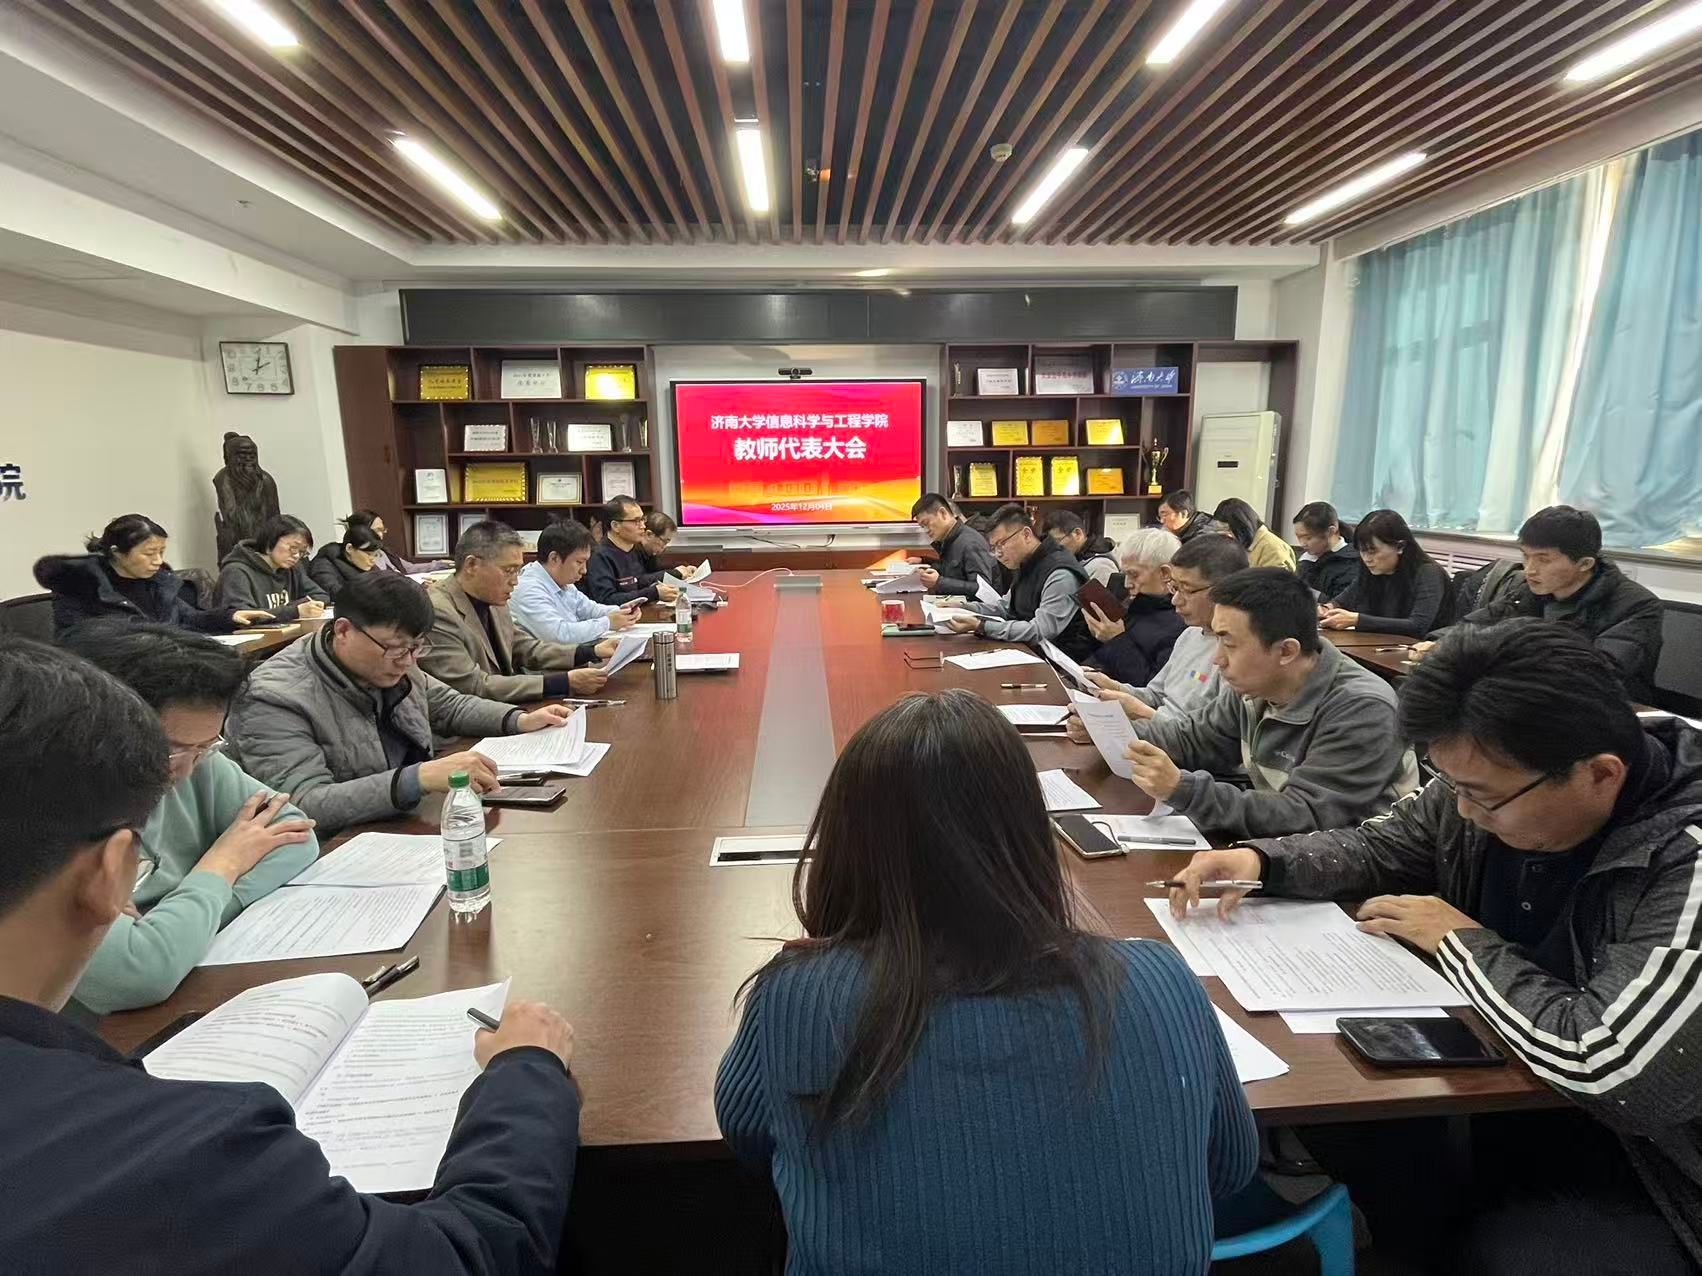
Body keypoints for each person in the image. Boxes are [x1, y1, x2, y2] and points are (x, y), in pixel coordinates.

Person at [0, 636, 581, 1273]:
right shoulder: (175, 1153)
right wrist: (526, 1071)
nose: (188, 769)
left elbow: (294, 833)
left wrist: (190, 905)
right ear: (112, 875)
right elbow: (469, 1255)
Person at [1168, 622, 1702, 1275]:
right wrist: (1261, 861)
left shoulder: (1684, 856)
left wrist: (1459, 942)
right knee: (1348, 1119)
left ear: (1599, 775)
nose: (1465, 812)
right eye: (1452, 786)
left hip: (1648, 1161)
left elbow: (1617, 1074)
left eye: (1482, 797)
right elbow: (1380, 846)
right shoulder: (1495, 774)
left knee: (1525, 1254)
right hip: (1503, 1081)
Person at [715, 690, 1257, 1273]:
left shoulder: (797, 997)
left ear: (847, 845)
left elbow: (749, 1137)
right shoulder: (1163, 980)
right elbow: (1229, 1167)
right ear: (1029, 835)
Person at [52, 624, 316, 1013]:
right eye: (171, 751)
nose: (188, 770)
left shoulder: (196, 758)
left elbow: (295, 835)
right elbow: (137, 975)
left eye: (207, 746)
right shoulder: (48, 812)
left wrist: (175, 923)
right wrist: (222, 864)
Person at [228, 572, 579, 834]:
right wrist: (417, 778)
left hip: (404, 820)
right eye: (397, 649)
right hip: (336, 850)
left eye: (416, 648)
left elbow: (449, 706)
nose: (408, 661)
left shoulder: (393, 660)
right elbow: (303, 804)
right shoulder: (272, 697)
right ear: (344, 630)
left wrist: (519, 720)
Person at [1119, 568, 1418, 840]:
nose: (1217, 658)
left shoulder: (1362, 708)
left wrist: (1183, 790)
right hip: (1282, 850)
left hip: (1349, 866)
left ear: (1286, 651)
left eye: (1229, 643)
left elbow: (1306, 815)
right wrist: (1112, 728)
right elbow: (1194, 739)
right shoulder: (1257, 686)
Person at [1453, 505, 1664, 702]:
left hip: (1601, 710)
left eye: (1543, 560)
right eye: (1526, 556)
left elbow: (1594, 675)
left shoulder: (1637, 606)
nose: (1529, 570)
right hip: (1525, 698)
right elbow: (1472, 627)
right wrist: (1442, 644)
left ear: (1584, 564)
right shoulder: (1529, 590)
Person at [421, 520, 616, 705]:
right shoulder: (438, 612)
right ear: (472, 565)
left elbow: (524, 647)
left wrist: (590, 652)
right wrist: (562, 683)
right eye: (508, 570)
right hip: (472, 721)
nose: (515, 581)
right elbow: (473, 685)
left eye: (517, 570)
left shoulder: (493, 597)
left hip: (507, 706)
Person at [1085, 533, 1252, 724]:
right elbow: (1156, 694)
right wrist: (1113, 688)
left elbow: (1207, 734)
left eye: (1186, 589)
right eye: (1175, 588)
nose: (1175, 600)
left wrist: (1142, 713)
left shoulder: (1240, 654)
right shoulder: (1190, 634)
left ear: (1223, 590)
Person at [33, 514, 272, 638]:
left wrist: (230, 616)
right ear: (116, 552)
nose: (158, 560)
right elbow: (87, 643)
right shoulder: (79, 589)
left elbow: (189, 618)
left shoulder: (158, 582)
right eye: (149, 553)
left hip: (168, 665)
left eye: (161, 552)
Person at [944, 503, 1097, 661]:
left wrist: (982, 626)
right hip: (1030, 652)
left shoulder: (1060, 573)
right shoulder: (1027, 563)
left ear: (1026, 534)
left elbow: (1041, 630)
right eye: (994, 548)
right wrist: (963, 607)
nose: (998, 554)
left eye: (1002, 544)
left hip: (1062, 662)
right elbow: (1005, 608)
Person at [1320, 508, 1457, 637]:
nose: (1367, 558)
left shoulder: (1429, 573)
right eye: (1362, 551)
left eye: (1373, 551)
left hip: (1420, 648)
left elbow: (1418, 625)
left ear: (1400, 546)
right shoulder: (1370, 570)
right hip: (1378, 644)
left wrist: (1357, 620)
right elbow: (1342, 600)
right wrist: (1326, 609)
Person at [1081, 527, 1186, 688]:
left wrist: (1115, 639)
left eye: (1134, 575)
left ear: (1165, 573)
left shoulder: (1182, 621)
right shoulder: (1129, 601)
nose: (1127, 583)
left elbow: (1151, 689)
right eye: (1125, 574)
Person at [510, 519, 641, 646]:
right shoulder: (528, 589)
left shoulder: (562, 581)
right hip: (549, 660)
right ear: (554, 558)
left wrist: (621, 611)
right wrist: (608, 623)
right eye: (579, 562)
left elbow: (590, 609)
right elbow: (558, 635)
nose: (584, 570)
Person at [215, 513, 329, 621]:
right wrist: (294, 611)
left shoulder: (291, 569)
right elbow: (243, 617)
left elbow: (321, 596)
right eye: (293, 548)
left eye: (302, 552)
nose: (296, 556)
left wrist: (300, 608)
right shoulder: (236, 572)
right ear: (270, 543)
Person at [584, 497, 682, 607]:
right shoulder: (599, 556)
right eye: (636, 521)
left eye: (643, 520)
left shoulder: (634, 549)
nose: (643, 526)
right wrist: (654, 593)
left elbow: (639, 582)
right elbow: (607, 600)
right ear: (615, 526)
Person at [910, 492, 1002, 596]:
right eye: (923, 527)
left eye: (926, 523)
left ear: (943, 513)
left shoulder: (970, 543)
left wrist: (939, 582)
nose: (926, 530)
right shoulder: (950, 540)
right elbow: (952, 569)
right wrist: (926, 564)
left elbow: (983, 589)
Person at [343, 510, 449, 576]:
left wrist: (440, 564)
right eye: (377, 530)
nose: (381, 535)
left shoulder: (383, 552)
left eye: (382, 530)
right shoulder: (358, 560)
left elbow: (408, 568)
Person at [1292, 501, 1360, 601]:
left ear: (1331, 531)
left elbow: (1342, 605)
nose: (1302, 544)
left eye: (1308, 538)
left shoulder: (1351, 563)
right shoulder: (1307, 558)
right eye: (1298, 537)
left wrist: (1304, 592)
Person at [306, 520, 385, 600]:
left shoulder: (368, 566)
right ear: (349, 548)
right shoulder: (323, 566)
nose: (373, 560)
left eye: (376, 555)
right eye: (369, 554)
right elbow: (337, 595)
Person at [1214, 498, 1297, 572]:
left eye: (1228, 529)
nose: (1225, 535)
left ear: (1243, 527)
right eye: (1219, 530)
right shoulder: (1237, 545)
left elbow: (1275, 582)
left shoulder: (1272, 548)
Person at [1041, 509, 1120, 585]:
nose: (1054, 548)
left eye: (1057, 541)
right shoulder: (1075, 559)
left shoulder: (1101, 566)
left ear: (1078, 534)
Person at [1155, 489, 1227, 544]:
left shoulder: (1204, 536)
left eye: (1165, 515)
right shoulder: (1186, 528)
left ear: (1183, 513)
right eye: (1160, 517)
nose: (1162, 521)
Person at [637, 510, 678, 577]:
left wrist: (681, 568)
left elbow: (656, 571)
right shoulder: (631, 553)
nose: (664, 547)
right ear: (649, 535)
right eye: (664, 541)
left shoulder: (650, 553)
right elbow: (641, 580)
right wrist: (675, 573)